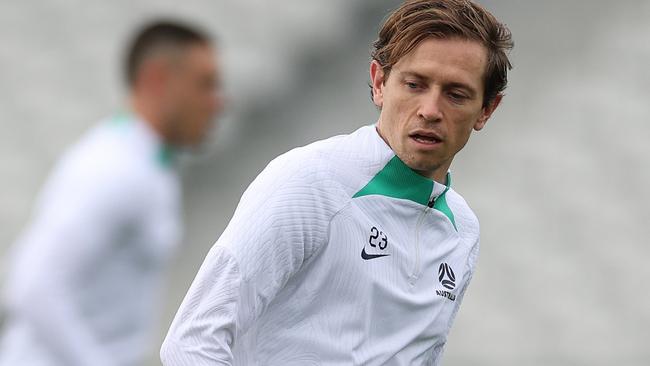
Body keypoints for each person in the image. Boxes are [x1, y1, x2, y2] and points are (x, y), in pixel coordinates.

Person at [160, 0, 513, 364]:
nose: (430, 110)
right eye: (414, 84)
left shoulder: (463, 231)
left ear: (486, 109)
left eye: (456, 94)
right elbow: (192, 341)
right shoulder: (309, 183)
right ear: (379, 83)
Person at [0, 21, 223, 366]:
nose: (218, 102)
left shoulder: (145, 162)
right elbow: (32, 282)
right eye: (205, 84)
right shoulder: (117, 169)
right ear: (157, 80)